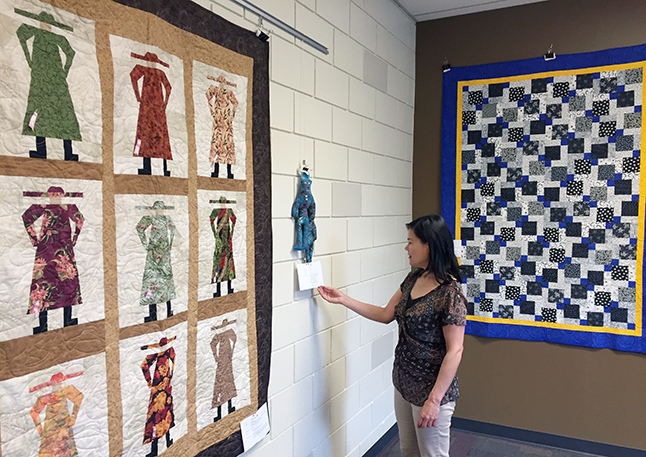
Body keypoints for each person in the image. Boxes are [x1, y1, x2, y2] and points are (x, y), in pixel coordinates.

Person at [318, 214, 467, 457]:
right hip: (403, 383)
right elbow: (387, 314)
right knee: (409, 451)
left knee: (433, 455)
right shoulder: (414, 277)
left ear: (428, 245)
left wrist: (434, 401)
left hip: (431, 393)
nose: (406, 248)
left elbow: (455, 350)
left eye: (411, 242)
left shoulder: (450, 294)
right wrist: (343, 299)